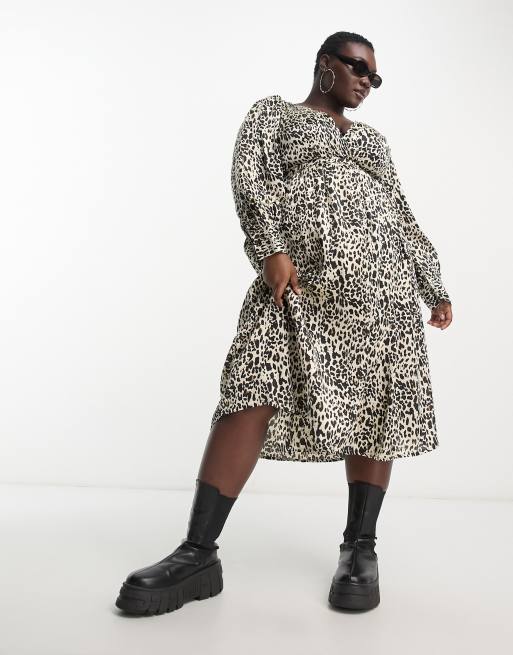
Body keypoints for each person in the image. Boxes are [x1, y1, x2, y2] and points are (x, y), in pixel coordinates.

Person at [115, 30, 453, 616]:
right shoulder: (274, 115)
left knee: (379, 409)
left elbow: (400, 213)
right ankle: (197, 553)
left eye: (375, 77)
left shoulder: (372, 141)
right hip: (299, 287)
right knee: (249, 388)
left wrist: (433, 284)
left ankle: (360, 549)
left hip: (384, 295)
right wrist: (270, 247)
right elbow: (249, 178)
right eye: (358, 68)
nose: (367, 82)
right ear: (326, 64)